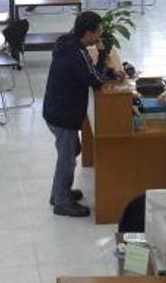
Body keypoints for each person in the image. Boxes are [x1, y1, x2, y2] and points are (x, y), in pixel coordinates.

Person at [43, 12, 117, 216]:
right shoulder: (77, 53)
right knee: (67, 159)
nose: (100, 35)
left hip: (54, 110)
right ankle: (62, 202)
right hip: (63, 115)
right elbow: (94, 79)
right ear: (89, 33)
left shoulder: (67, 42)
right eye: (98, 31)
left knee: (72, 150)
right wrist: (102, 54)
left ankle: (58, 192)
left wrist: (109, 72)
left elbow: (87, 72)